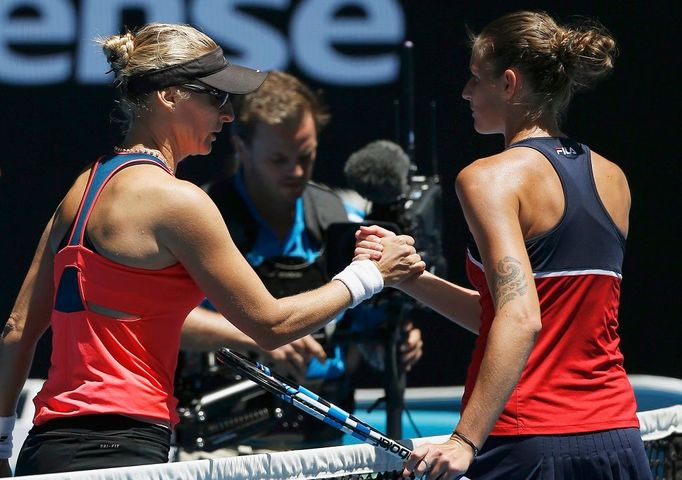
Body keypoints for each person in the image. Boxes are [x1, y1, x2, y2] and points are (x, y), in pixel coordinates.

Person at [0, 23, 424, 477]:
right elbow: (272, 325)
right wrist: (372, 274)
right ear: (169, 96)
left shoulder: (83, 187)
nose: (227, 115)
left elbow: (16, 329)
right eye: (216, 97)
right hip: (125, 450)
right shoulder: (179, 201)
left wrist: (2, 440)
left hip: (45, 450)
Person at [355, 10, 651, 480]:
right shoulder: (614, 178)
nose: (466, 92)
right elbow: (510, 315)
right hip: (617, 438)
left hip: (525, 442)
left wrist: (464, 438)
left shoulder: (487, 178)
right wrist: (412, 279)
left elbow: (520, 317)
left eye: (476, 78)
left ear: (509, 84)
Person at [176, 70, 424, 452]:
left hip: (324, 439)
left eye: (305, 156)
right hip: (219, 444)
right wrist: (259, 333)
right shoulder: (199, 216)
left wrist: (388, 340)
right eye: (279, 159)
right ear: (242, 147)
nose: (295, 171)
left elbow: (362, 326)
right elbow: (158, 315)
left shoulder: (343, 218)